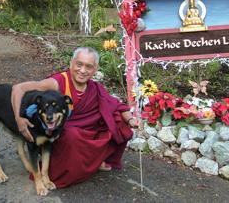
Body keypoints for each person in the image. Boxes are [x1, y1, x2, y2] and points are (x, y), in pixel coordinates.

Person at [11, 47, 138, 188]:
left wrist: (130, 119)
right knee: (73, 135)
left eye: (88, 67)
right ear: (71, 63)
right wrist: (18, 118)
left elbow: (116, 105)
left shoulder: (95, 87)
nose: (83, 70)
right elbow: (18, 88)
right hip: (65, 133)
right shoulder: (58, 82)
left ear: (95, 69)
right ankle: (72, 169)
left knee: (117, 123)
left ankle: (96, 160)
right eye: (79, 64)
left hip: (87, 130)